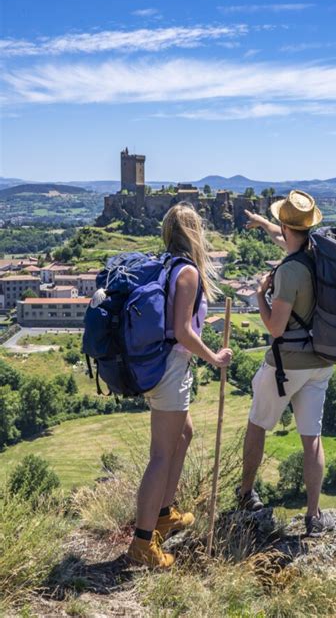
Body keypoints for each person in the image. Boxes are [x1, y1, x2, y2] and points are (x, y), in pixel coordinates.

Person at [127, 203, 233, 568]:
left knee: (182, 435)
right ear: (194, 232)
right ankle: (143, 543)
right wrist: (215, 357)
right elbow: (184, 331)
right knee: (160, 454)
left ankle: (164, 513)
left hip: (164, 366)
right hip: (172, 368)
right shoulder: (186, 272)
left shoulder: (167, 265)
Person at [236, 190, 335, 536]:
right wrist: (264, 223)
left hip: (286, 364)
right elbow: (285, 239)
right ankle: (313, 516)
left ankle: (246, 494)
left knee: (258, 423)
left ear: (286, 225)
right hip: (321, 362)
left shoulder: (289, 272)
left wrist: (260, 296)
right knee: (312, 438)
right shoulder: (318, 255)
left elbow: (275, 327)